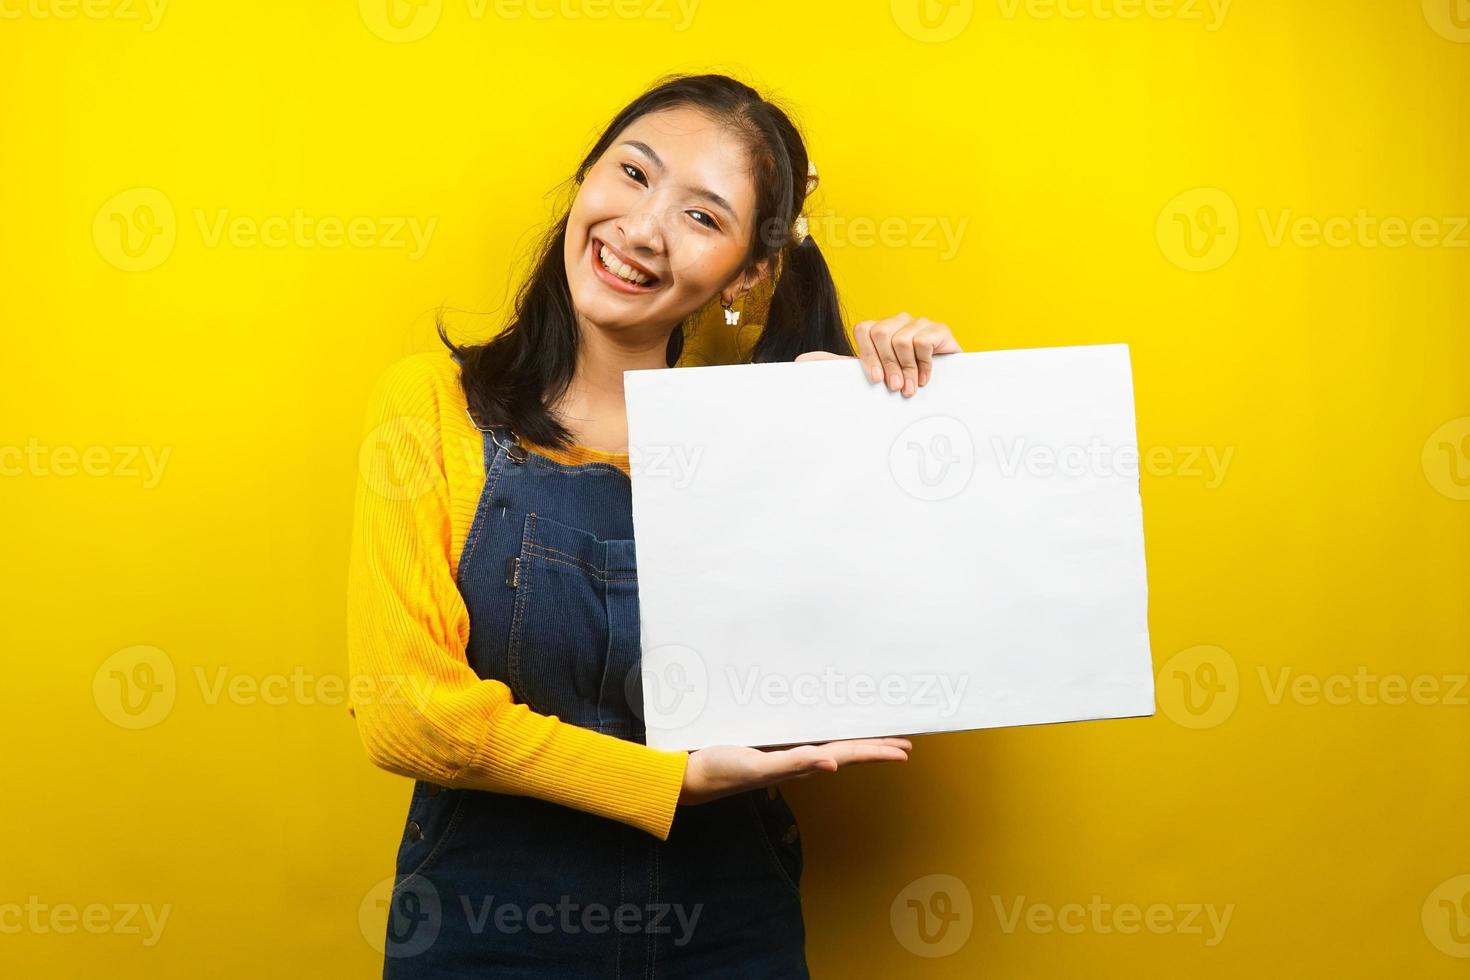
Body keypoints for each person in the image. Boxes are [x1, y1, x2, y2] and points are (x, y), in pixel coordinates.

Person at [347, 71, 963, 978]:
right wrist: (668, 781)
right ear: (586, 179)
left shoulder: (778, 432)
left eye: (703, 218)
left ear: (747, 274)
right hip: (487, 929)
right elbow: (406, 716)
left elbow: (872, 668)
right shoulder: (430, 410)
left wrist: (902, 425)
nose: (641, 229)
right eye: (633, 175)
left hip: (728, 925)